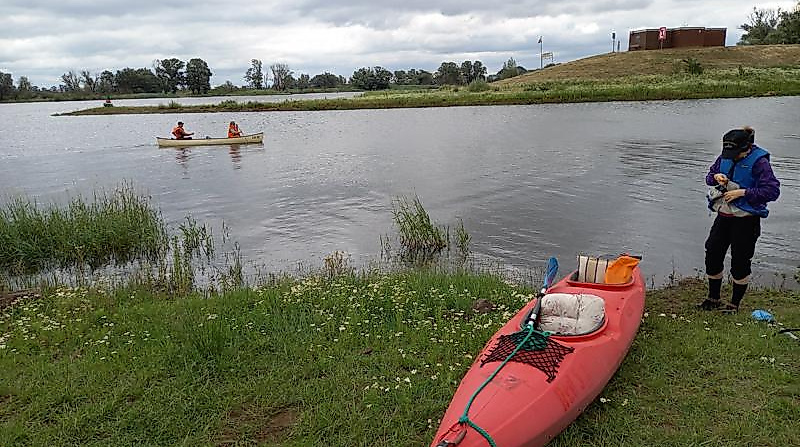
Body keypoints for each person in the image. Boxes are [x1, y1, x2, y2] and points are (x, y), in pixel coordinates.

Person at [699, 127, 780, 313]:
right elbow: (709, 177)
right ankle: (713, 298)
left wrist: (743, 192)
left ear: (747, 148)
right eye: (729, 153)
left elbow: (773, 191)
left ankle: (734, 304)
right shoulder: (725, 156)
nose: (731, 157)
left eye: (736, 153)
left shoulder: (760, 163)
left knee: (740, 261)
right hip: (723, 216)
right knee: (712, 252)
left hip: (746, 220)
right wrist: (715, 177)